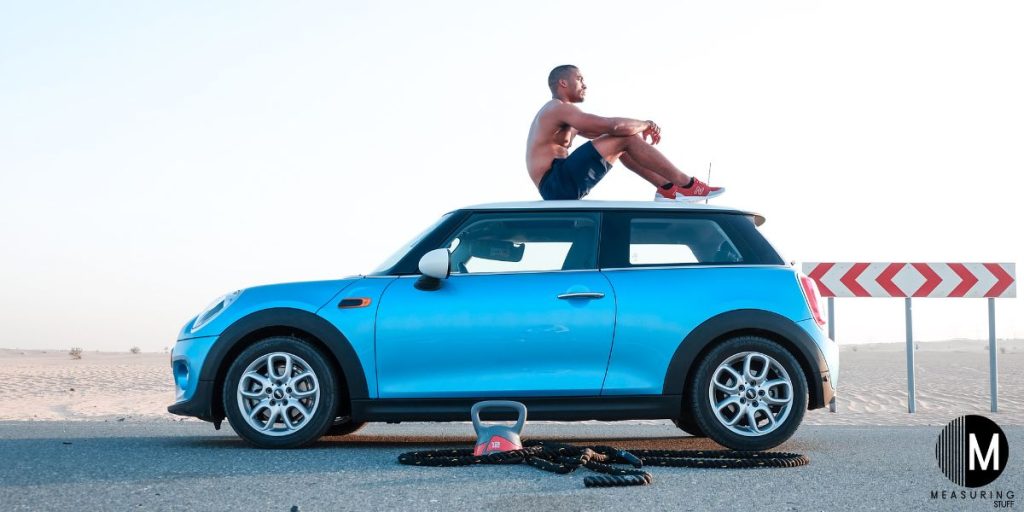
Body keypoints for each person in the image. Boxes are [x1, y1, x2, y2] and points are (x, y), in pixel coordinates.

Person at [526, 64, 725, 202]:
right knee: (626, 137)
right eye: (579, 79)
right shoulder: (558, 108)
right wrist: (646, 124)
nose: (584, 85)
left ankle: (667, 189)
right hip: (556, 183)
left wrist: (637, 129)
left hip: (558, 185)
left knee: (625, 141)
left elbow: (610, 132)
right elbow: (614, 127)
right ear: (563, 83)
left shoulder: (563, 114)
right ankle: (687, 185)